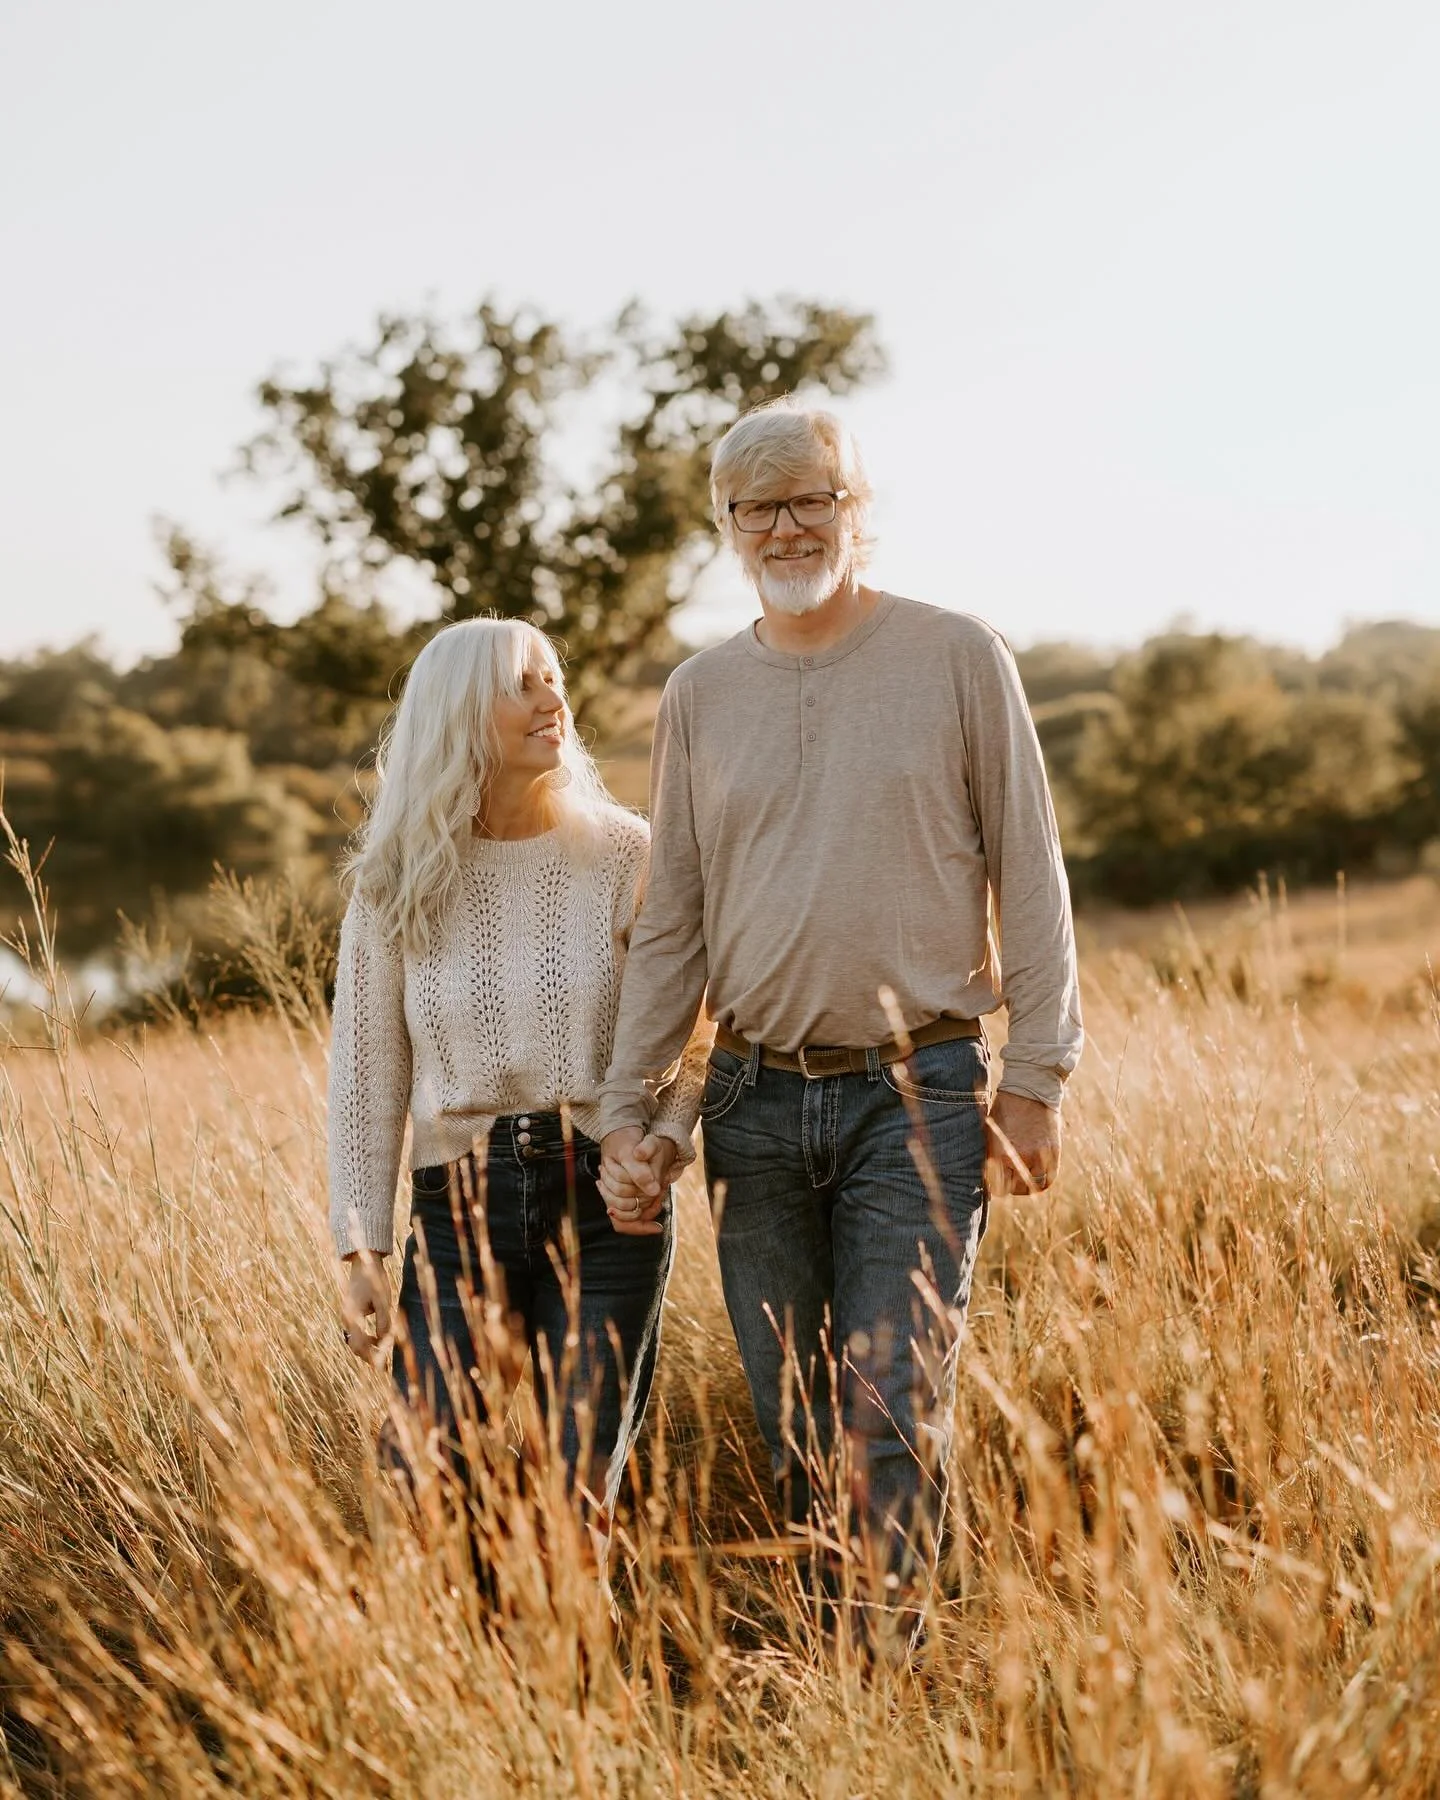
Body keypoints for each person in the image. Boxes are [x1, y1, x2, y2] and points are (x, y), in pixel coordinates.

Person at [597, 399, 1083, 1646]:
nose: (787, 525)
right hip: (751, 1105)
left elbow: (1029, 872)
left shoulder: (959, 655)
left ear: (859, 509)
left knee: (890, 1400)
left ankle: (890, 1677)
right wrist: (630, 1110)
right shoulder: (700, 693)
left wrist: (1038, 1074)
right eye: (757, 506)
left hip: (915, 1093)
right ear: (726, 526)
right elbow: (676, 921)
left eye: (814, 496)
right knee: (795, 1418)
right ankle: (838, 1660)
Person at [327, 617, 702, 1572]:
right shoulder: (394, 882)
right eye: (522, 684)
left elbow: (695, 1029)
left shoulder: (628, 854)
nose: (553, 701)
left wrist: (657, 1145)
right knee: (424, 1475)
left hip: (604, 1204)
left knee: (570, 1499)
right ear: (459, 715)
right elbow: (367, 1074)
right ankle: (467, 1690)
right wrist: (363, 1245)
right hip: (458, 1208)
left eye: (553, 679)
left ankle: (570, 1704)